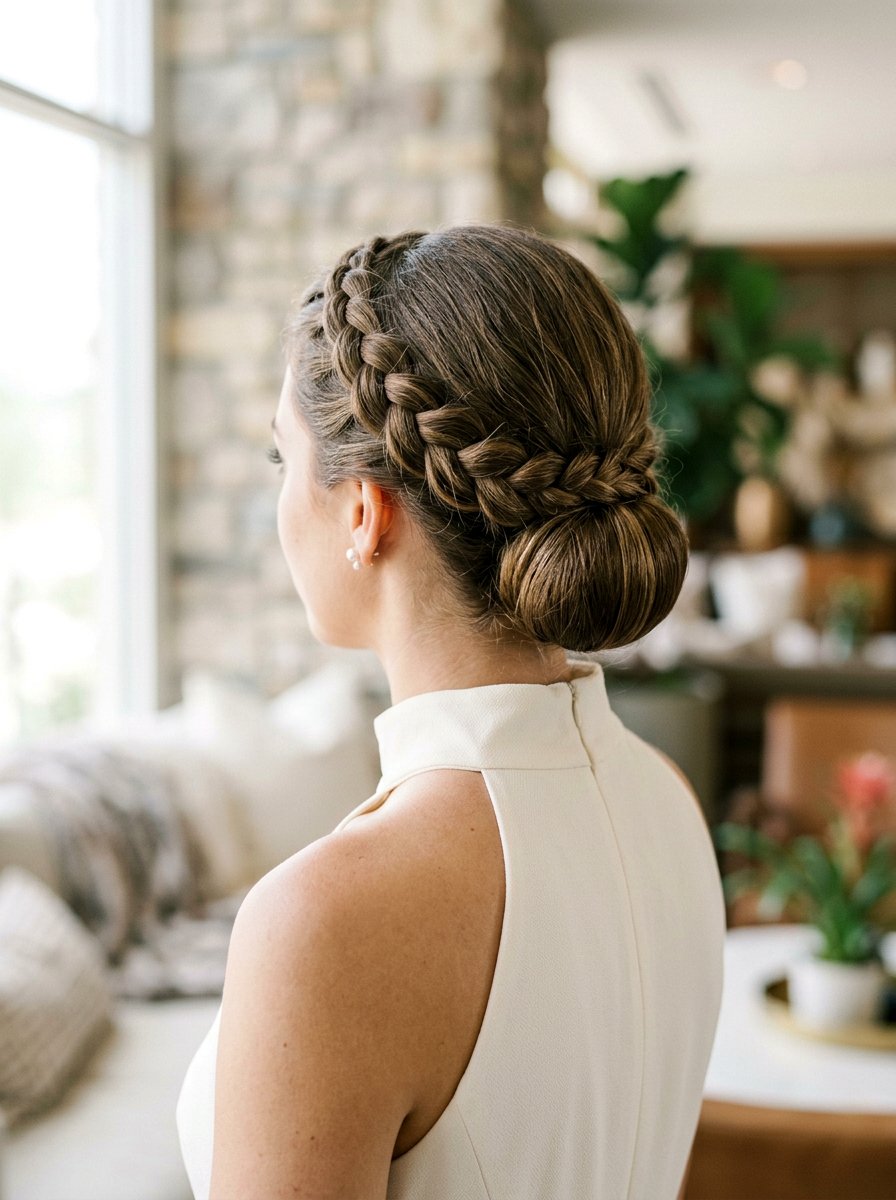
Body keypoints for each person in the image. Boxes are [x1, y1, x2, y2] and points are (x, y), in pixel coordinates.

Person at [176, 223, 725, 1199]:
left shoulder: (327, 923)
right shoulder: (667, 802)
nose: (277, 502)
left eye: (281, 462)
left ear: (362, 511)